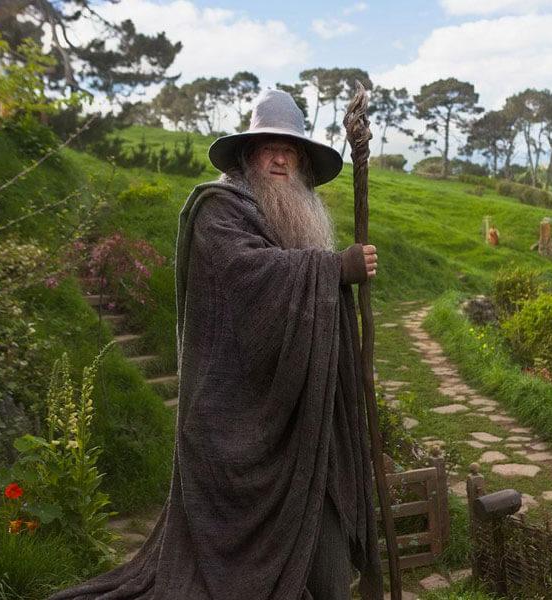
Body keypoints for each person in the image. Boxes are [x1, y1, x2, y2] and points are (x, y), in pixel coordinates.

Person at [49, 89, 383, 599]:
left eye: (290, 150)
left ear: (302, 162)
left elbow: (301, 309)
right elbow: (247, 274)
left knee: (324, 527)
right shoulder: (218, 211)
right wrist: (334, 268)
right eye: (269, 147)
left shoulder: (299, 218)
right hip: (231, 413)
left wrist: (333, 276)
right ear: (248, 155)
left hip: (299, 410)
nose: (280, 159)